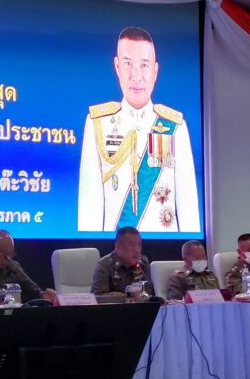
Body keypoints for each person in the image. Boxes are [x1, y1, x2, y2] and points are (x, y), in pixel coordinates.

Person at [77, 26, 200, 232]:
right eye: (128, 64)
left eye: (144, 65)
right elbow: (90, 202)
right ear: (117, 67)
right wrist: (92, 246)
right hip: (115, 247)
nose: (136, 76)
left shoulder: (174, 126)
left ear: (155, 71)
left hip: (166, 245)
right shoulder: (98, 122)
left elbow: (187, 202)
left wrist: (191, 246)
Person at [91, 226, 154, 296]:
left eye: (139, 245)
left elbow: (149, 292)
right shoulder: (104, 265)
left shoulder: (143, 263)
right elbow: (97, 297)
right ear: (118, 246)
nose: (137, 250)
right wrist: (113, 297)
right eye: (132, 245)